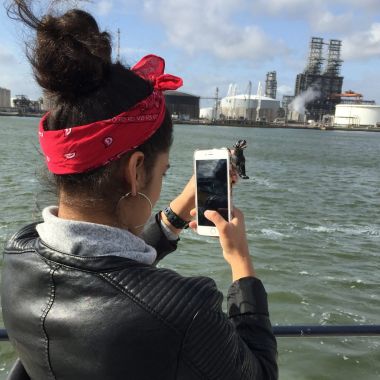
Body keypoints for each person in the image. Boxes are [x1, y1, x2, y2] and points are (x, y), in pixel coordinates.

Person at [2, 1, 278, 379]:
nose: (163, 180)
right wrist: (241, 263)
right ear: (136, 170)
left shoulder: (20, 254)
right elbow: (259, 374)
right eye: (163, 171)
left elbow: (100, 267)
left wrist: (178, 211)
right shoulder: (186, 311)